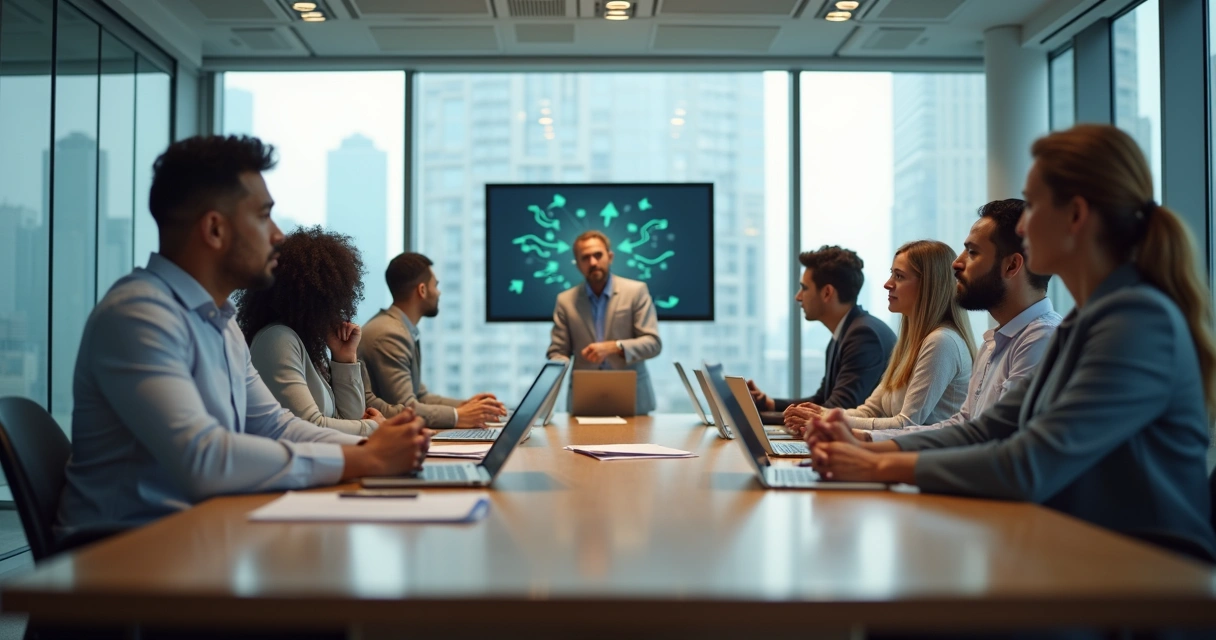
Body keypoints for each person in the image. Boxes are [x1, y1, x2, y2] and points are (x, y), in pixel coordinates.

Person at [806, 124, 1216, 560]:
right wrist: (869, 449)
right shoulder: (1085, 321)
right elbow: (987, 429)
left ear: (1076, 216)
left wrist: (874, 463)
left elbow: (1029, 463)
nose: (1023, 222)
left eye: (1033, 205)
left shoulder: (1137, 323)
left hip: (1148, 579)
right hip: (1088, 555)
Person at [56, 135, 430, 540]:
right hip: (126, 558)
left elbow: (276, 427)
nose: (278, 235)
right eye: (263, 216)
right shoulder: (138, 315)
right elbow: (204, 458)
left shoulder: (219, 322)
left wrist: (374, 445)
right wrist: (364, 460)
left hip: (201, 536)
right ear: (215, 229)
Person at [860, 200, 1061, 442]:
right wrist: (866, 440)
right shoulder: (994, 343)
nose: (957, 263)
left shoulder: (1042, 339)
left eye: (973, 252)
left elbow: (996, 442)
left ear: (1012, 265)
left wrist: (872, 450)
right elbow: (964, 424)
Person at [785, 240, 975, 434]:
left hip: (927, 461)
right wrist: (823, 413)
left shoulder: (941, 342)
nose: (887, 284)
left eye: (899, 276)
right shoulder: (911, 343)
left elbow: (907, 424)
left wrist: (827, 419)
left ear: (929, 285)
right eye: (891, 274)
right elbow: (871, 410)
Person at [237, 226, 390, 437]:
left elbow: (350, 420)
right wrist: (376, 427)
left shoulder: (307, 343)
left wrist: (344, 359)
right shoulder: (278, 339)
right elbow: (308, 426)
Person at [747, 246, 896, 425]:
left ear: (827, 293)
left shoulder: (864, 336)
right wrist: (770, 404)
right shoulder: (846, 332)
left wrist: (753, 417)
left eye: (804, 288)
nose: (798, 297)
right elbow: (820, 400)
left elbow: (835, 410)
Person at [361, 252, 505, 429]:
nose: (439, 292)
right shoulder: (390, 334)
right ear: (422, 290)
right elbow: (407, 408)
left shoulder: (400, 328)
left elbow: (420, 396)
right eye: (435, 286)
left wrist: (466, 406)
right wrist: (458, 416)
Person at [547, 230, 662, 414]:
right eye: (585, 258)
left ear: (610, 257)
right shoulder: (565, 301)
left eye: (598, 255)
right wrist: (557, 365)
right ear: (577, 264)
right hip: (584, 397)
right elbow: (558, 351)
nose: (593, 262)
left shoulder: (636, 291)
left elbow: (653, 344)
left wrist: (615, 347)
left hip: (633, 397)